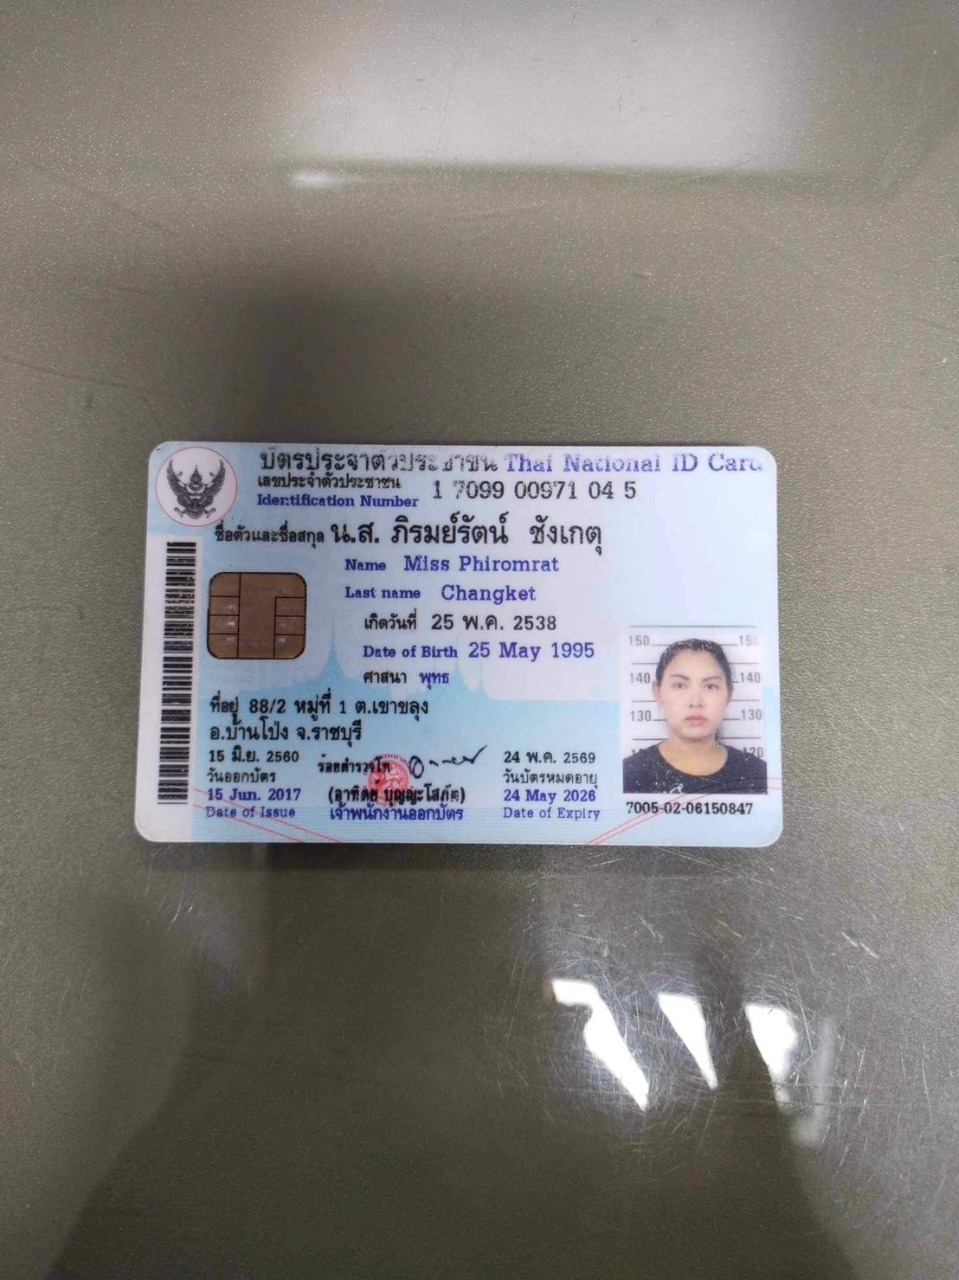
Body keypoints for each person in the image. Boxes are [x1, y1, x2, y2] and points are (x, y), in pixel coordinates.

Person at [623, 638, 767, 794]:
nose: (695, 702)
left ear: (729, 694)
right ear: (657, 692)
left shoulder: (759, 775)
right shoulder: (629, 774)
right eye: (680, 685)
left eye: (710, 686)